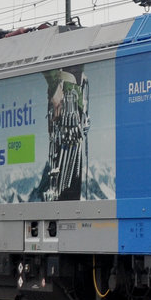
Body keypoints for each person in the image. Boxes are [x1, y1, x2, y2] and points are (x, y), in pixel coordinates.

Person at [32, 65, 87, 201]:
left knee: (71, 185)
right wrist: (55, 85)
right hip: (64, 104)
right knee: (65, 188)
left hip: (73, 103)